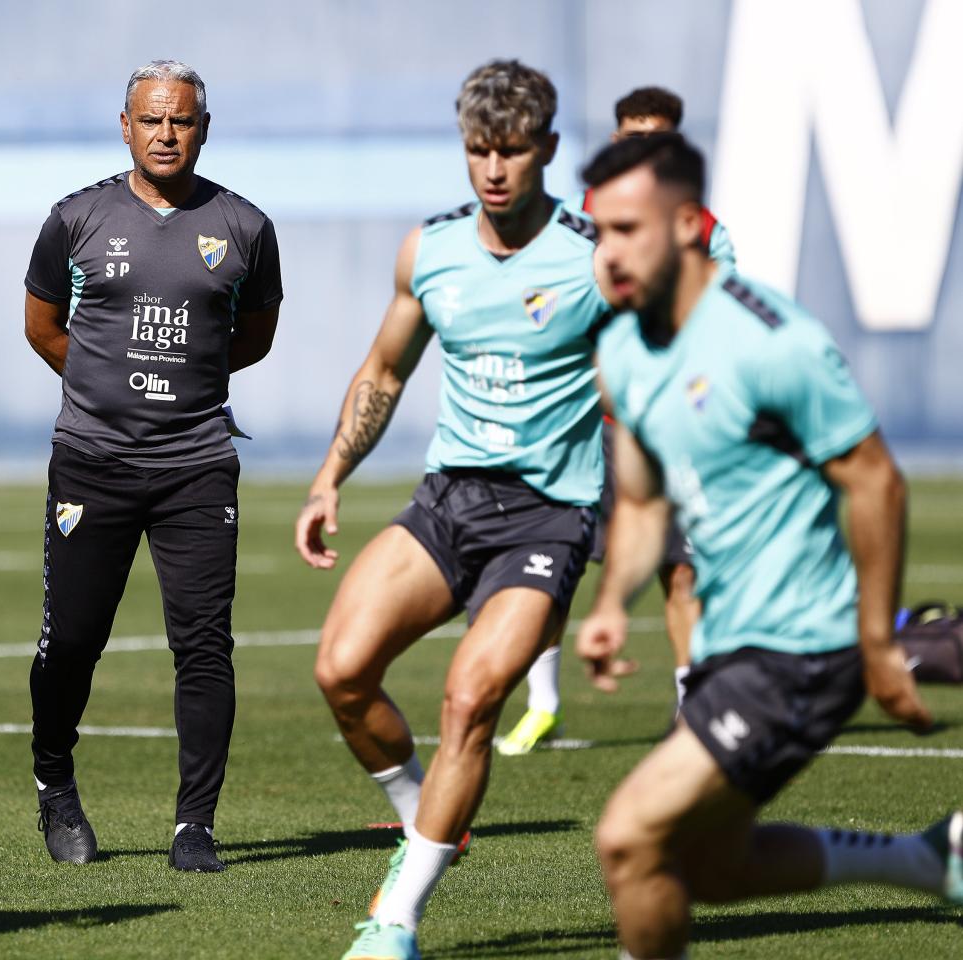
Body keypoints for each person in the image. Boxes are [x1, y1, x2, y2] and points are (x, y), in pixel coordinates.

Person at [577, 130, 962, 960]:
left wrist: (877, 645)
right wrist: (613, 604)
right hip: (729, 644)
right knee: (709, 866)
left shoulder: (773, 340)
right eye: (599, 231)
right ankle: (929, 861)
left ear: (687, 224)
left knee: (628, 838)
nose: (608, 253)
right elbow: (642, 504)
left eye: (628, 229)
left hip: (804, 648)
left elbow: (875, 481)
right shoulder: (621, 350)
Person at [294, 60, 609, 959]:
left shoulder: (593, 257)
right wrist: (329, 478)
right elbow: (384, 371)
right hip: (448, 501)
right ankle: (428, 819)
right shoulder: (428, 251)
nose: (494, 169)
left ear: (546, 149)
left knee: (470, 699)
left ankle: (398, 915)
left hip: (549, 516)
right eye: (479, 150)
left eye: (511, 150)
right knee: (341, 671)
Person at [23, 59, 282, 873]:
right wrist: (107, 391)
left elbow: (254, 335)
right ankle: (54, 785)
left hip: (197, 465)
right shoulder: (76, 218)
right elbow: (42, 326)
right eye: (151, 120)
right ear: (125, 125)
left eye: (182, 121)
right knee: (71, 644)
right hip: (92, 463)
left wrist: (183, 392)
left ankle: (194, 827)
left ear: (204, 128)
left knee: (205, 645)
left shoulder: (245, 226)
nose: (166, 133)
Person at [500, 85, 736, 752]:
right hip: (577, 426)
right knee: (547, 566)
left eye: (653, 138)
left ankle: (691, 706)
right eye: (629, 135)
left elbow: (722, 328)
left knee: (680, 570)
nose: (638, 149)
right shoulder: (572, 226)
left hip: (662, 432)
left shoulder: (708, 235)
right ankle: (542, 704)